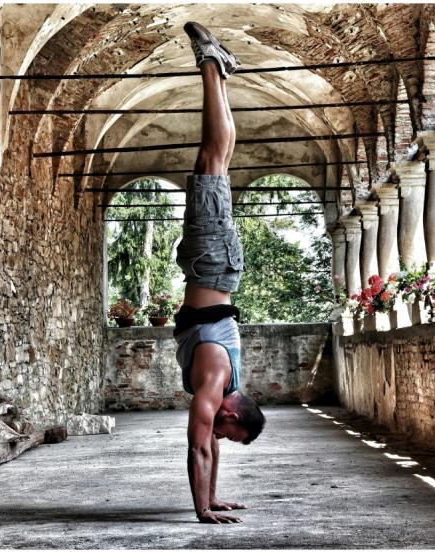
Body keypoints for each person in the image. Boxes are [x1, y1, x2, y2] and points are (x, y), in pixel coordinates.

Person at [173, 22, 266, 525]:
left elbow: (211, 448)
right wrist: (201, 511)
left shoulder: (224, 383)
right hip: (212, 264)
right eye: (228, 431)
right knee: (213, 158)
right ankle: (210, 63)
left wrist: (213, 500)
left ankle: (221, 71)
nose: (219, 435)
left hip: (217, 267)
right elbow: (199, 450)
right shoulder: (214, 379)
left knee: (217, 161)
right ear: (230, 413)